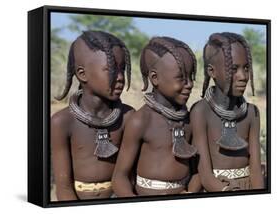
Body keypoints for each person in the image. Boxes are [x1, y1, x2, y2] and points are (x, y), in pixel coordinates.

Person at [51, 30, 134, 200]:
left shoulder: (128, 117)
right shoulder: (62, 122)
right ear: (82, 74)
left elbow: (131, 175)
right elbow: (63, 187)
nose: (120, 77)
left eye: (122, 69)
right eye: (110, 69)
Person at [112, 36, 200, 196]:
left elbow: (197, 170)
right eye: (181, 77)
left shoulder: (189, 119)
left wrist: (191, 193)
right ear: (155, 78)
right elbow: (120, 176)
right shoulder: (140, 121)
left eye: (191, 77)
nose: (189, 84)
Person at [190, 32, 264, 192]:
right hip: (217, 189)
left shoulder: (252, 113)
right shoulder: (200, 112)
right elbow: (204, 174)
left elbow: (256, 169)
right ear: (212, 71)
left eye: (246, 68)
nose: (243, 76)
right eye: (234, 69)